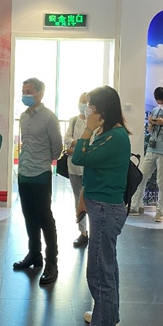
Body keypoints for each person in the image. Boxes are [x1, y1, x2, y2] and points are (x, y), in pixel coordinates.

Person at [72, 86, 130, 326]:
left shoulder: (115, 136)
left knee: (99, 270)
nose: (87, 111)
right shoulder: (107, 133)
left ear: (102, 110)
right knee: (106, 266)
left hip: (106, 208)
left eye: (91, 107)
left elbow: (79, 158)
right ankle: (108, 317)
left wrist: (86, 130)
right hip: (100, 204)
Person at [13, 77, 62, 285]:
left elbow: (57, 148)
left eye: (29, 91)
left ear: (40, 94)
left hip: (41, 173)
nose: (25, 95)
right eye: (24, 91)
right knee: (29, 216)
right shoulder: (24, 116)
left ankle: (52, 263)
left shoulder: (49, 117)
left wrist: (44, 159)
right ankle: (34, 254)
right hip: (24, 172)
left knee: (45, 218)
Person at [129, 86, 163, 222]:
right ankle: (134, 207)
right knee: (141, 178)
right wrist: (151, 124)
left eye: (162, 101)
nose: (160, 103)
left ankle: (160, 212)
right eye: (158, 101)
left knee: (162, 183)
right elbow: (150, 130)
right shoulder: (155, 110)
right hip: (151, 150)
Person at [64, 92, 89, 247]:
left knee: (89, 200)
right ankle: (83, 232)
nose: (83, 105)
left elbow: (91, 144)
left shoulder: (94, 123)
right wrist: (79, 145)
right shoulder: (73, 121)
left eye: (86, 102)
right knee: (77, 199)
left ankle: (94, 230)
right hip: (73, 167)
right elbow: (67, 139)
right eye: (81, 101)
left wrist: (75, 147)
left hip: (88, 168)